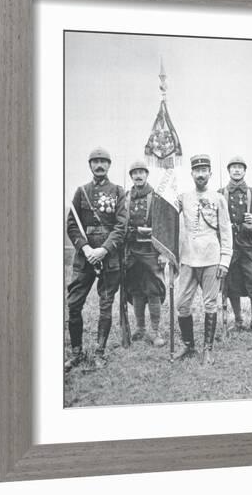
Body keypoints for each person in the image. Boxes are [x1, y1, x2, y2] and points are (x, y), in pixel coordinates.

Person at [65, 147, 127, 371]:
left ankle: (100, 352)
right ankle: (76, 352)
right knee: (73, 304)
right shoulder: (81, 192)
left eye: (103, 161)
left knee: (105, 305)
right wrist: (85, 248)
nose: (99, 165)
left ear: (109, 165)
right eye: (95, 162)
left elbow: (121, 227)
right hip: (85, 258)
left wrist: (104, 250)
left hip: (109, 259)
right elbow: (72, 225)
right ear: (90, 165)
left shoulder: (119, 192)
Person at [176, 154, 233, 364]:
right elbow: (168, 212)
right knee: (182, 304)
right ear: (191, 173)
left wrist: (225, 260)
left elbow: (226, 231)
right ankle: (188, 346)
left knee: (210, 304)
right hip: (189, 258)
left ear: (210, 173)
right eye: (197, 170)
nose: (200, 174)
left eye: (204, 170)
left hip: (211, 257)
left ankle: (207, 349)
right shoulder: (184, 197)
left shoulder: (219, 199)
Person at [218, 156, 252, 333]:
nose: (237, 170)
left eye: (240, 167)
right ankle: (238, 320)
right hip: (229, 245)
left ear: (245, 171)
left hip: (249, 245)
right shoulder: (220, 192)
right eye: (234, 167)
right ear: (229, 171)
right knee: (231, 283)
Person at [124, 161, 166, 347]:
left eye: (141, 172)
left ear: (147, 175)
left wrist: (163, 252)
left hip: (151, 251)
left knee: (153, 290)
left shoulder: (156, 197)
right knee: (136, 290)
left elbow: (163, 227)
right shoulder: (125, 197)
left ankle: (154, 331)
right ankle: (140, 328)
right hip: (131, 252)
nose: (138, 176)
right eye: (135, 173)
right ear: (131, 176)